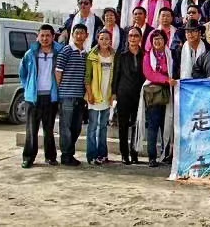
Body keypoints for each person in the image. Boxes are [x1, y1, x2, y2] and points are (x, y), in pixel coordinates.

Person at [20, 24, 64, 168]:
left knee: (49, 130)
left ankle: (50, 157)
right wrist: (28, 88)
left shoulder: (59, 52)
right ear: (38, 37)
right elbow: (23, 73)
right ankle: (28, 157)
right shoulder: (30, 54)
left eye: (48, 36)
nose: (45, 38)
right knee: (31, 130)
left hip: (51, 97)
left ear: (53, 37)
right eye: (42, 35)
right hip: (33, 98)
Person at [55, 23, 89, 166]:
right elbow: (58, 72)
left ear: (86, 36)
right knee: (66, 127)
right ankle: (66, 155)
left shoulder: (85, 54)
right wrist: (59, 91)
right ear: (72, 35)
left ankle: (69, 153)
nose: (79, 36)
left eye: (82, 33)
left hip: (80, 97)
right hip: (66, 96)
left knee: (76, 127)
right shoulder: (66, 51)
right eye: (77, 33)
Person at [141, 30, 177, 167]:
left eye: (160, 38)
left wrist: (170, 81)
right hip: (154, 93)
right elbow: (149, 74)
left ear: (165, 40)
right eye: (154, 39)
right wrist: (165, 79)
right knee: (153, 126)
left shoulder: (171, 54)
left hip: (169, 92)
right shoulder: (147, 56)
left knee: (166, 124)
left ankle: (166, 154)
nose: (157, 41)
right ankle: (152, 157)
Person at [112, 26, 145, 165]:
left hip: (139, 94)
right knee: (123, 125)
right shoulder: (121, 54)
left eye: (136, 36)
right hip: (123, 93)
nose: (133, 38)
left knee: (137, 125)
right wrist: (114, 93)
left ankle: (134, 152)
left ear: (140, 38)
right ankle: (124, 154)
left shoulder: (145, 54)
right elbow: (116, 74)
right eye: (130, 35)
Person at [84, 29, 115, 165]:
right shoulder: (92, 55)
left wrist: (113, 94)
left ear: (110, 40)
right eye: (101, 38)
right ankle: (91, 155)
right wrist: (90, 94)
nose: (104, 41)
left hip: (107, 96)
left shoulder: (114, 55)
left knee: (103, 126)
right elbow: (87, 77)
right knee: (92, 127)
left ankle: (103, 154)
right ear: (98, 40)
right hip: (95, 96)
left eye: (107, 38)